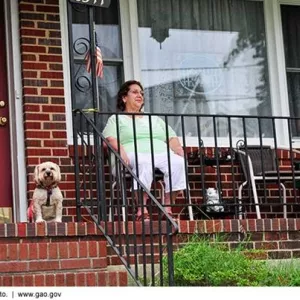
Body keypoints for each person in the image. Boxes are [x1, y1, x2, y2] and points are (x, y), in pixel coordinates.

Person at [102, 80, 187, 220]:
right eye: (135, 92)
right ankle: (142, 210)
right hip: (131, 155)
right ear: (124, 98)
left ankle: (167, 207)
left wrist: (178, 150)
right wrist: (121, 149)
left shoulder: (153, 119)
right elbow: (108, 139)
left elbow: (171, 137)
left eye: (141, 93)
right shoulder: (117, 119)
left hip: (160, 153)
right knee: (144, 161)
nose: (140, 95)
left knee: (178, 163)